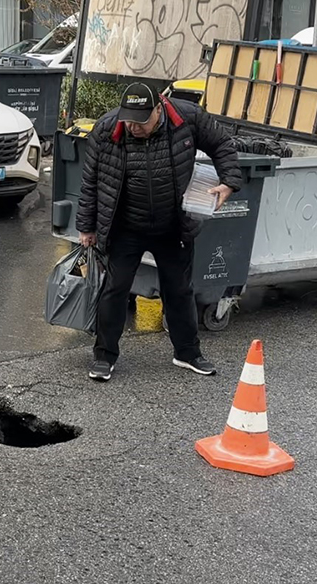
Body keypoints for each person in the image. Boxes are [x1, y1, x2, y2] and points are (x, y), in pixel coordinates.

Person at [77, 82, 241, 382]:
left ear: (158, 109)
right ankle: (104, 356)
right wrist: (86, 227)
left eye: (140, 122)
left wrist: (229, 181)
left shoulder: (187, 117)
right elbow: (90, 182)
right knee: (114, 291)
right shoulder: (106, 128)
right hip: (125, 226)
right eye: (128, 120)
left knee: (179, 291)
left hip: (173, 225)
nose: (133, 127)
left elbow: (222, 144)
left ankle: (188, 353)